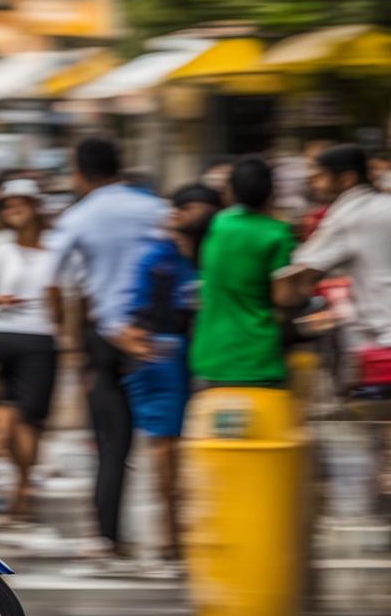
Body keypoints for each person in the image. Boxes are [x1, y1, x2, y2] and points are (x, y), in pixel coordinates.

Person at [48, 136, 168, 561]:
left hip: (104, 338)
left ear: (80, 173)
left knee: (111, 442)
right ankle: (171, 535)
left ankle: (111, 535)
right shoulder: (155, 208)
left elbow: (53, 277)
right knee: (165, 436)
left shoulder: (79, 216)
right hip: (155, 333)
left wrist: (64, 336)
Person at [121, 184, 222, 567]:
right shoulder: (158, 260)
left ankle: (185, 533)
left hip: (201, 361)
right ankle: (172, 536)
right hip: (166, 362)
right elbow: (137, 317)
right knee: (166, 452)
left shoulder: (206, 256)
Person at [0, 179, 63, 522]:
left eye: (20, 203)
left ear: (37, 206)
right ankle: (5, 480)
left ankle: (21, 488)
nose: (14, 210)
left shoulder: (58, 249)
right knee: (5, 427)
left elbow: (65, 303)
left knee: (30, 423)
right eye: (8, 205)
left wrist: (71, 343)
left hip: (40, 339)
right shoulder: (1, 248)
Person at [274, 144, 391, 354]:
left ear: (347, 179)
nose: (314, 183)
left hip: (381, 341)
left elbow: (300, 273)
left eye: (321, 176)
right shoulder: (385, 203)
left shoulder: (347, 215)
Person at [191, 156, 296, 388]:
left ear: (230, 192)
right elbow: (284, 297)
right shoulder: (277, 234)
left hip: (211, 357)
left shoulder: (215, 226)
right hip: (258, 360)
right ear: (271, 193)